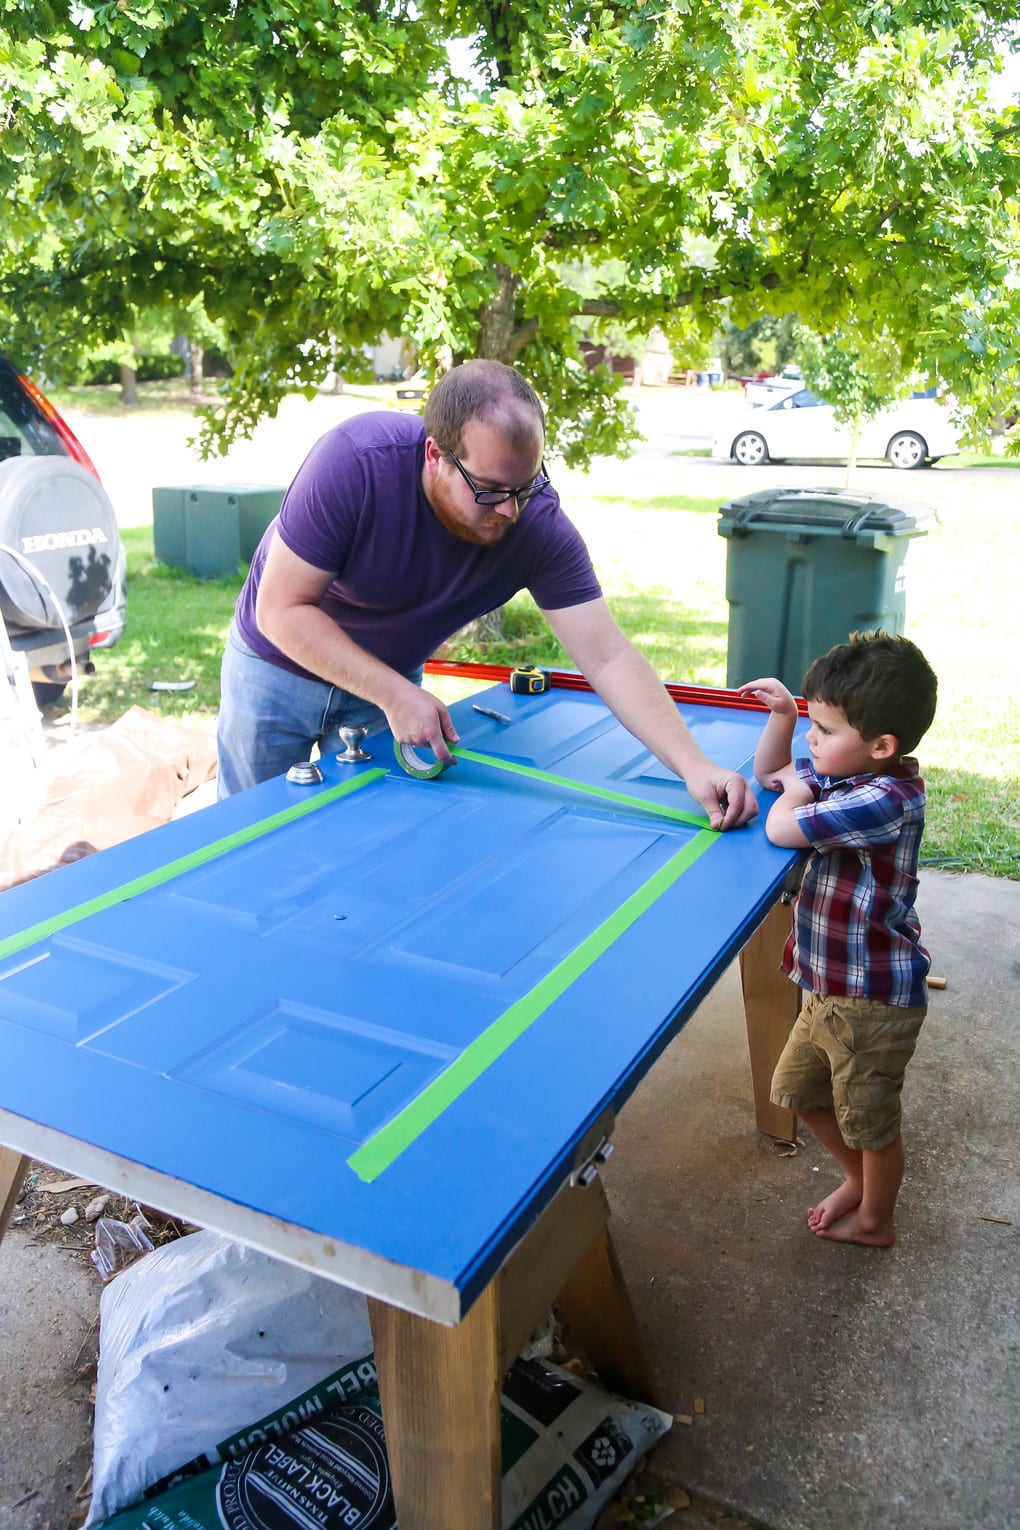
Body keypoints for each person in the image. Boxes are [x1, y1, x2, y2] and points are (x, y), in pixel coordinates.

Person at [217, 359, 757, 829]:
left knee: (369, 832)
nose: (510, 510)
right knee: (247, 835)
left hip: (387, 681)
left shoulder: (538, 528)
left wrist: (695, 766)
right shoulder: (355, 462)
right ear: (435, 454)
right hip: (276, 666)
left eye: (524, 486)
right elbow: (281, 609)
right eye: (490, 490)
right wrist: (393, 693)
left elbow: (608, 655)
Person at [738, 632, 938, 1247]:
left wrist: (797, 793)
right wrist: (783, 717)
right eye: (812, 723)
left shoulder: (883, 799)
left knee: (872, 1122)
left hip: (871, 1002)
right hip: (829, 988)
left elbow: (780, 825)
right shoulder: (849, 772)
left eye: (822, 729)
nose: (811, 742)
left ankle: (877, 1220)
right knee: (796, 1092)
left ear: (882, 746)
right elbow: (772, 773)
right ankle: (857, 1181)